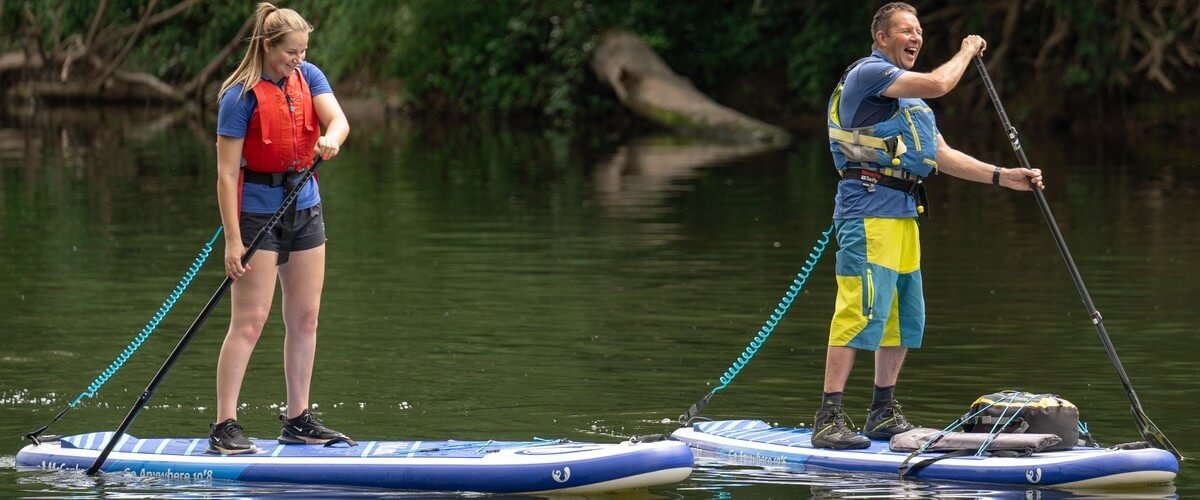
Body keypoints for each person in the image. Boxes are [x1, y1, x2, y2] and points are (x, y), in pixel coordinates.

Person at [812, 2, 1044, 450]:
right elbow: (941, 82)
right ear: (882, 38)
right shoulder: (868, 73)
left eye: (919, 31)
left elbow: (941, 156)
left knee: (901, 317)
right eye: (906, 30)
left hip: (902, 215)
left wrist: (1003, 176)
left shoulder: (910, 102)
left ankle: (881, 412)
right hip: (866, 211)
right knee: (859, 311)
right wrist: (968, 49)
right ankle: (828, 417)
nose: (916, 37)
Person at [209, 2, 351, 455]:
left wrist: (332, 137)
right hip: (256, 215)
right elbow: (227, 174)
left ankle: (297, 419)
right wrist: (233, 240)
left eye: (305, 50)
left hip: (305, 205)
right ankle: (224, 425)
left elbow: (339, 119)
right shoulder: (239, 96)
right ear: (268, 47)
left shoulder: (309, 78)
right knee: (250, 322)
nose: (299, 59)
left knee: (305, 317)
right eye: (292, 51)